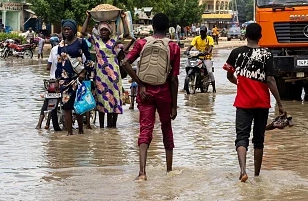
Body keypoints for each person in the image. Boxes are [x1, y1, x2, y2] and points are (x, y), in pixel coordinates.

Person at [224, 23, 286, 182]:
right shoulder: (267, 54)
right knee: (258, 140)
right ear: (260, 36)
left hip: (243, 103)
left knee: (241, 137)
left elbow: (229, 74)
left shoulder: (236, 53)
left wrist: (238, 82)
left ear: (245, 35)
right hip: (262, 103)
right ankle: (257, 175)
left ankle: (243, 170)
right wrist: (280, 104)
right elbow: (271, 80)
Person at [121, 13, 180, 181]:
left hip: (145, 92)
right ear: (168, 28)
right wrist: (174, 106)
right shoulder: (173, 47)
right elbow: (174, 79)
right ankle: (169, 171)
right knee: (166, 128)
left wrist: (140, 84)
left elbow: (125, 63)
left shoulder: (142, 42)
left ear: (152, 26)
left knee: (145, 129)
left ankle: (142, 173)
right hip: (164, 92)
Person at [81, 13, 129, 128]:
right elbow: (83, 32)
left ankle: (113, 126)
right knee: (101, 98)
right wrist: (88, 17)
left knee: (114, 98)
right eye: (101, 30)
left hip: (113, 73)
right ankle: (102, 127)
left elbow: (127, 34)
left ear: (109, 32)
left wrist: (122, 18)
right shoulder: (96, 40)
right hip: (100, 74)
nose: (103, 32)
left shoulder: (114, 40)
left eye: (105, 30)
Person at [54, 19, 91, 135]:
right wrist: (57, 80)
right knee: (66, 107)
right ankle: (69, 133)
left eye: (68, 29)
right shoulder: (60, 45)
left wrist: (84, 72)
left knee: (78, 106)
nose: (66, 31)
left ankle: (80, 131)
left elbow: (89, 59)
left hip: (78, 79)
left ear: (74, 30)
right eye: (64, 29)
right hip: (65, 80)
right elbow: (59, 63)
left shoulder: (81, 42)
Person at [189, 26, 216, 93]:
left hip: (206, 58)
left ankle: (214, 88)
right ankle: (186, 84)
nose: (202, 33)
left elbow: (210, 46)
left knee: (209, 71)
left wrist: (208, 52)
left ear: (206, 32)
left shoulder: (209, 38)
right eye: (201, 32)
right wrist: (187, 51)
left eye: (203, 32)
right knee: (190, 66)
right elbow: (191, 45)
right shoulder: (196, 38)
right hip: (197, 57)